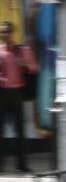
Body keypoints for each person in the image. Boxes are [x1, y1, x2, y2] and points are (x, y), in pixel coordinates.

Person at [0, 22, 38, 174]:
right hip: (1, 93)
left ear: (12, 32)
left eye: (7, 31)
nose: (5, 34)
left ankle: (21, 164)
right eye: (2, 32)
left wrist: (26, 62)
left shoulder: (20, 51)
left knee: (20, 132)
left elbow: (34, 67)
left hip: (16, 93)